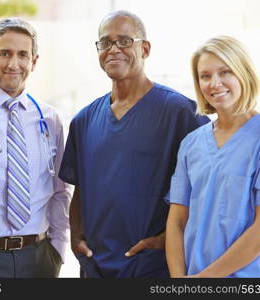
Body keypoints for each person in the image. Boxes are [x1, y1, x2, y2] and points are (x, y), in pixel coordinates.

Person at [58, 10, 209, 278]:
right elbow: (80, 189)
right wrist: (76, 238)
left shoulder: (180, 113)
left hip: (152, 266)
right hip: (96, 267)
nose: (114, 49)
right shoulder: (83, 121)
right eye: (105, 43)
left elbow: (206, 188)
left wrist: (167, 238)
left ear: (145, 48)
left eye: (125, 41)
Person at [165, 35, 260, 277]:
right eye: (205, 76)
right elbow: (177, 222)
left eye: (225, 72)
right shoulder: (191, 144)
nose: (215, 83)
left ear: (243, 74)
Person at [0, 17, 71, 278]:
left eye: (23, 55)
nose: (14, 64)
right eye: (5, 53)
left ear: (34, 61)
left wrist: (57, 249)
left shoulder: (49, 118)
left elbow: (60, 190)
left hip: (39, 257)